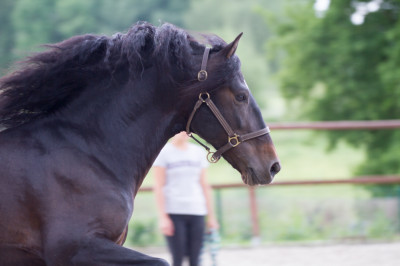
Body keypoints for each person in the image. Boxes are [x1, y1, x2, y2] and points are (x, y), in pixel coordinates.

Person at [153, 131, 219, 266]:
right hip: (174, 211)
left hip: (197, 210)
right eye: (181, 130)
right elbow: (159, 186)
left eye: (188, 130)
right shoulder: (163, 153)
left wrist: (211, 217)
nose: (185, 133)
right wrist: (163, 217)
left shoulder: (198, 152)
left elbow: (204, 185)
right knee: (178, 259)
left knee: (196, 260)